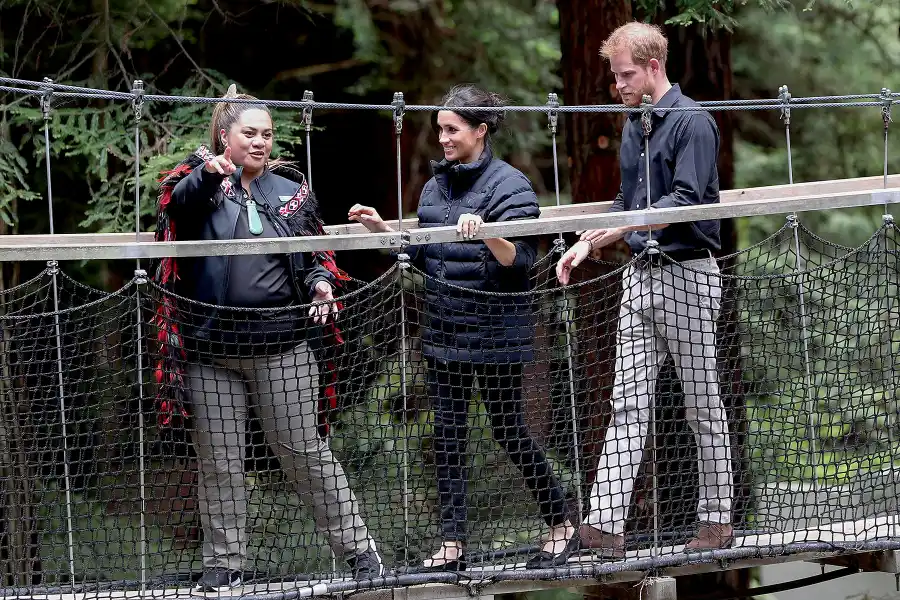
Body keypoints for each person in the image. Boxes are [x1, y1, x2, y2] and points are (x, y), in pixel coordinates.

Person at [153, 85, 383, 592]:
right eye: (248, 133)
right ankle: (224, 563)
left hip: (282, 346)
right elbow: (176, 209)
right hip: (210, 354)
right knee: (219, 462)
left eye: (266, 134)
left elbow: (314, 254)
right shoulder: (196, 184)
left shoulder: (289, 190)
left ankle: (361, 553)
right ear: (224, 136)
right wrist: (207, 173)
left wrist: (321, 284)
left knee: (304, 452)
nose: (259, 142)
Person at [348, 84, 576, 571]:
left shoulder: (511, 185)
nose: (444, 139)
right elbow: (423, 254)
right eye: (440, 130)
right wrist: (383, 232)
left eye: (452, 129)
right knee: (447, 437)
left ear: (480, 130)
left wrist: (489, 230)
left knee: (509, 431)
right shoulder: (435, 188)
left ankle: (561, 522)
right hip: (444, 332)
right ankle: (452, 543)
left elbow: (520, 264)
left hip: (496, 335)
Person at [556, 22, 734, 559]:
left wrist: (623, 226)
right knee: (627, 403)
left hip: (688, 275)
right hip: (641, 275)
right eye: (615, 77)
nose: (619, 85)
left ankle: (717, 520)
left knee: (701, 403)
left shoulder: (692, 123)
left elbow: (686, 200)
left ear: (654, 67)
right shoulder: (636, 125)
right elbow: (624, 201)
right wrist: (590, 241)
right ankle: (604, 525)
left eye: (626, 75)